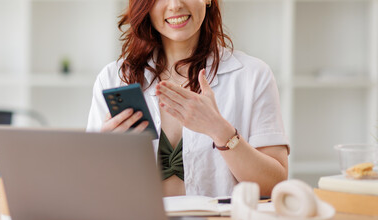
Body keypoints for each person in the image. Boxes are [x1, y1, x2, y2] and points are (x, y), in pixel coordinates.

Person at [86, 0, 289, 197]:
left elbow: (274, 186)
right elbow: (91, 186)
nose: (175, 5)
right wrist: (105, 153)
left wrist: (220, 131)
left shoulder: (253, 75)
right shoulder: (113, 78)